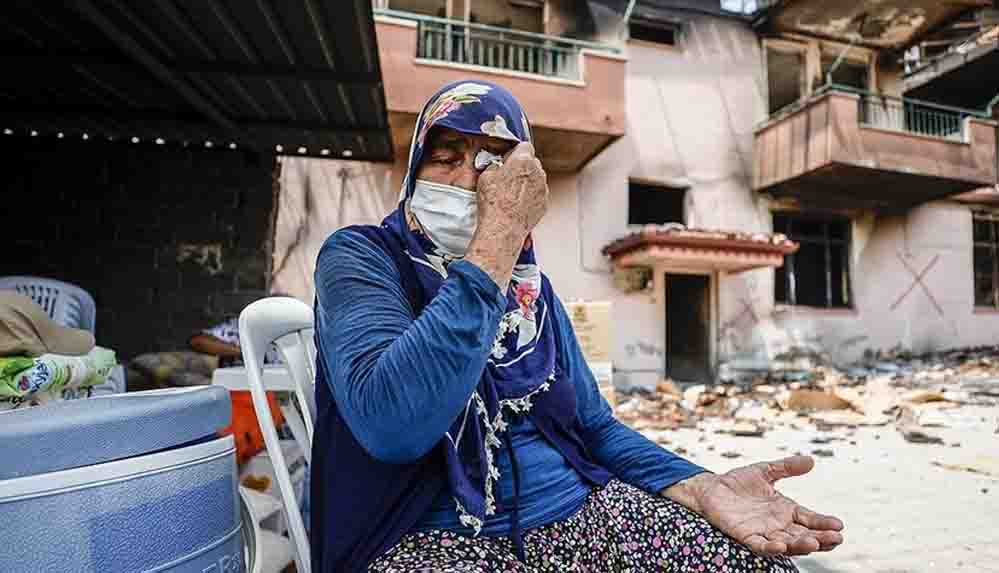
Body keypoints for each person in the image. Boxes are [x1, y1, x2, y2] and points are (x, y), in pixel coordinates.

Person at [310, 80, 844, 572]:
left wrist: (702, 486)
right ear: (413, 174)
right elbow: (392, 424)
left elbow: (594, 427)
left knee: (753, 562)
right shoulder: (362, 258)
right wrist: (497, 238)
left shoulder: (531, 297)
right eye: (444, 159)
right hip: (429, 538)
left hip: (576, 513)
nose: (466, 182)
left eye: (491, 167)